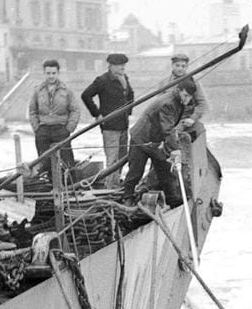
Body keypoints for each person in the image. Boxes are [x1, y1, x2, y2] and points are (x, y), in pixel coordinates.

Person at [121, 78, 197, 207]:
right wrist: (175, 150)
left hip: (156, 140)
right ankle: (127, 198)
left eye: (189, 97)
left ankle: (172, 199)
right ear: (179, 90)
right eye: (185, 95)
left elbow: (171, 124)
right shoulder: (168, 103)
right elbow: (167, 129)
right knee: (135, 172)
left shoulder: (179, 100)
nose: (187, 99)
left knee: (165, 170)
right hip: (141, 139)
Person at [81, 53, 134, 187]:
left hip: (123, 124)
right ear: (111, 66)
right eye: (120, 65)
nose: (123, 67)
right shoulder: (103, 80)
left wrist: (128, 113)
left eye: (124, 65)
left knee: (122, 157)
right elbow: (86, 95)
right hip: (110, 126)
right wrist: (97, 114)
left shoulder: (124, 78)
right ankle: (110, 186)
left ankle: (115, 183)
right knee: (112, 159)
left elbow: (130, 96)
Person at [28, 59, 80, 175]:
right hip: (43, 131)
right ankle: (50, 183)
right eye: (48, 73)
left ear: (58, 73)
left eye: (53, 73)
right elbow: (32, 110)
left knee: (67, 161)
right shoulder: (38, 91)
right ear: (44, 73)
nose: (51, 76)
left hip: (61, 129)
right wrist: (37, 128)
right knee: (45, 162)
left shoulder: (67, 91)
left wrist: (69, 128)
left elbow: (75, 110)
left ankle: (71, 183)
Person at [162, 53, 208, 130]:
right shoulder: (165, 83)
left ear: (187, 67)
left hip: (187, 121)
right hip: (169, 121)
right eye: (177, 65)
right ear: (172, 65)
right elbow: (160, 105)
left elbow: (202, 104)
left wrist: (193, 118)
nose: (180, 68)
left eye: (183, 66)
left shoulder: (193, 82)